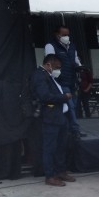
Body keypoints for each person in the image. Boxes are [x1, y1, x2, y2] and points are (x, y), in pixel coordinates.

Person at [30, 54, 76, 187]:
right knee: (50, 148)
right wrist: (64, 97)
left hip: (59, 116)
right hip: (50, 117)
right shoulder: (39, 76)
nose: (58, 70)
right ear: (49, 64)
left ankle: (60, 171)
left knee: (61, 146)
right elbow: (44, 96)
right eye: (57, 67)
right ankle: (50, 175)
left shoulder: (49, 76)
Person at [45, 25, 86, 138]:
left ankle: (69, 128)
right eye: (63, 35)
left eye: (67, 34)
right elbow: (50, 61)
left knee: (73, 106)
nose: (66, 37)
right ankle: (75, 130)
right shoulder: (51, 45)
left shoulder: (72, 45)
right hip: (61, 81)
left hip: (73, 80)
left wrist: (80, 67)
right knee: (70, 106)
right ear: (57, 35)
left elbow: (76, 59)